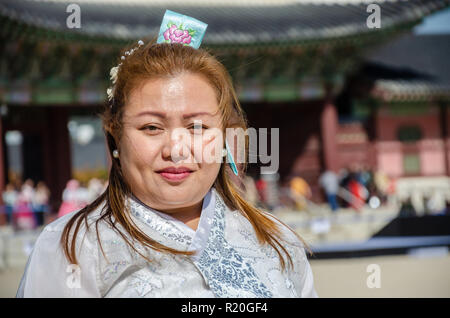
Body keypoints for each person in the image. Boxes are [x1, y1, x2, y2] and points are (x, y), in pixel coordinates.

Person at [17, 10, 317, 298]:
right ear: (115, 135)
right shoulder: (73, 247)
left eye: (197, 126)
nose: (176, 149)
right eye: (151, 127)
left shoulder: (276, 239)